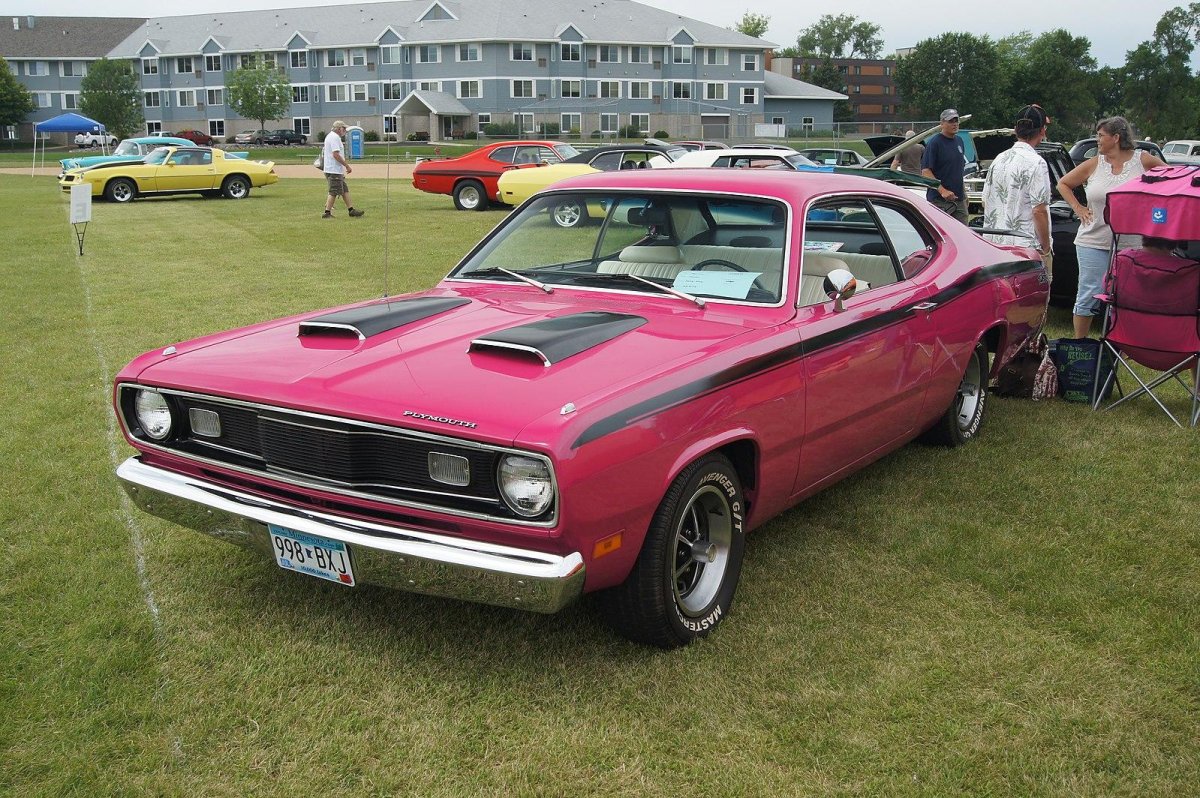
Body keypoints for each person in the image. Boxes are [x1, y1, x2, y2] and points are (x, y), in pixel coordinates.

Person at [1057, 116, 1165, 337]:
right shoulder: (1095, 163)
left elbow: (1174, 182)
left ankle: (1119, 346)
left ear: (1116, 137)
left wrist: (1154, 213)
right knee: (1089, 293)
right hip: (1092, 241)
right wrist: (1078, 208)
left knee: (1125, 296)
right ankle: (1081, 346)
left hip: (1130, 244)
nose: (1097, 140)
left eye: (1100, 136)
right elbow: (1063, 183)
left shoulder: (1143, 161)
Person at [981, 104, 1054, 278]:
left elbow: (985, 200)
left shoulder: (998, 159)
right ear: (1042, 131)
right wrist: (1045, 248)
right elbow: (1039, 211)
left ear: (1016, 130)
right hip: (1025, 251)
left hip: (996, 247)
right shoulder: (1037, 163)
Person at [921, 109, 968, 223]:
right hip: (939, 201)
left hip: (959, 200)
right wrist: (943, 191)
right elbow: (925, 172)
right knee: (941, 235)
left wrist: (964, 194)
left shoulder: (959, 141)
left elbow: (957, 171)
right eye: (950, 121)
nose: (955, 124)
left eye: (956, 120)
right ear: (941, 123)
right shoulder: (935, 143)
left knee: (964, 234)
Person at [322, 121, 364, 218]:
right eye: (343, 128)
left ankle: (351, 210)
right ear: (339, 129)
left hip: (335, 169)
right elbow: (335, 154)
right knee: (334, 191)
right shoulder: (334, 138)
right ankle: (327, 213)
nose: (345, 130)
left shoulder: (332, 136)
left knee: (344, 190)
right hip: (333, 170)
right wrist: (346, 165)